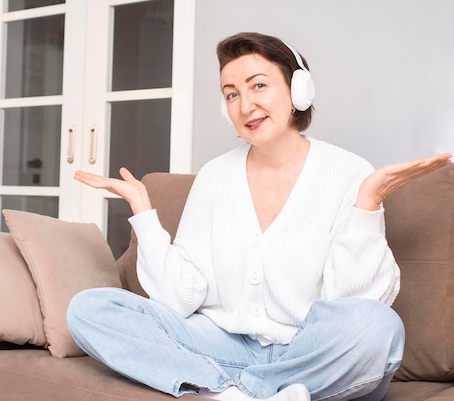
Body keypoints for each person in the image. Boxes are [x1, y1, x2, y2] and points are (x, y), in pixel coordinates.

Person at [66, 32, 452, 401]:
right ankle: (238, 391)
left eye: (258, 86)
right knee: (89, 309)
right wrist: (144, 211)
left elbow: (349, 304)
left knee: (377, 327)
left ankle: (235, 391)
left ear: (298, 90)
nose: (244, 105)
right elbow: (179, 300)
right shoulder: (214, 176)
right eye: (231, 94)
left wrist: (368, 202)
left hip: (311, 355)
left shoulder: (348, 173)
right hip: (224, 345)